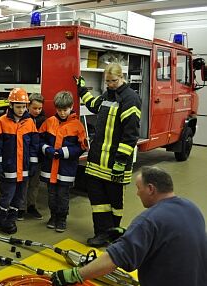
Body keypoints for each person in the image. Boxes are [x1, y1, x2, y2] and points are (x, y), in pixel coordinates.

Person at [51, 166, 207, 286]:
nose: (138, 194)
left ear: (151, 189)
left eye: (139, 188)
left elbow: (113, 260)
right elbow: (173, 239)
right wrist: (130, 234)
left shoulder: (148, 221)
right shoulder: (191, 208)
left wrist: (75, 275)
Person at [74, 62, 141, 246]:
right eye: (107, 81)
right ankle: (101, 233)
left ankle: (112, 234)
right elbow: (94, 105)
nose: (109, 84)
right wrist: (82, 89)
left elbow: (131, 135)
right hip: (97, 162)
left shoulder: (130, 99)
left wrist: (120, 161)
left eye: (113, 81)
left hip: (114, 164)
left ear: (122, 77)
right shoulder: (108, 96)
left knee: (114, 201)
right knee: (97, 200)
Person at [0, 88, 39, 234]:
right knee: (6, 197)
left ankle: (10, 221)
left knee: (19, 197)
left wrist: (33, 164)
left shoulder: (30, 122)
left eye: (24, 106)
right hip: (9, 169)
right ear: (11, 105)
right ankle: (0, 221)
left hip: (23, 169)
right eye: (18, 106)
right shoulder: (2, 122)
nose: (21, 109)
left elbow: (33, 146)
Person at [39, 91, 87, 232]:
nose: (62, 113)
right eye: (59, 110)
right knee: (51, 195)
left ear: (71, 106)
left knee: (63, 195)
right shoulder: (49, 122)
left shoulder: (77, 126)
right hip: (50, 169)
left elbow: (82, 147)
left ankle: (62, 219)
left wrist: (63, 152)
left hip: (65, 169)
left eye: (65, 110)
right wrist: (46, 149)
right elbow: (39, 139)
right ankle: (53, 217)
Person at [18, 93, 46, 220]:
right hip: (23, 158)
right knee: (23, 183)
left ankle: (31, 206)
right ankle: (20, 208)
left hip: (38, 158)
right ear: (28, 106)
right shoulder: (21, 120)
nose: (37, 111)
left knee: (34, 183)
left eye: (40, 108)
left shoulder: (44, 121)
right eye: (35, 108)